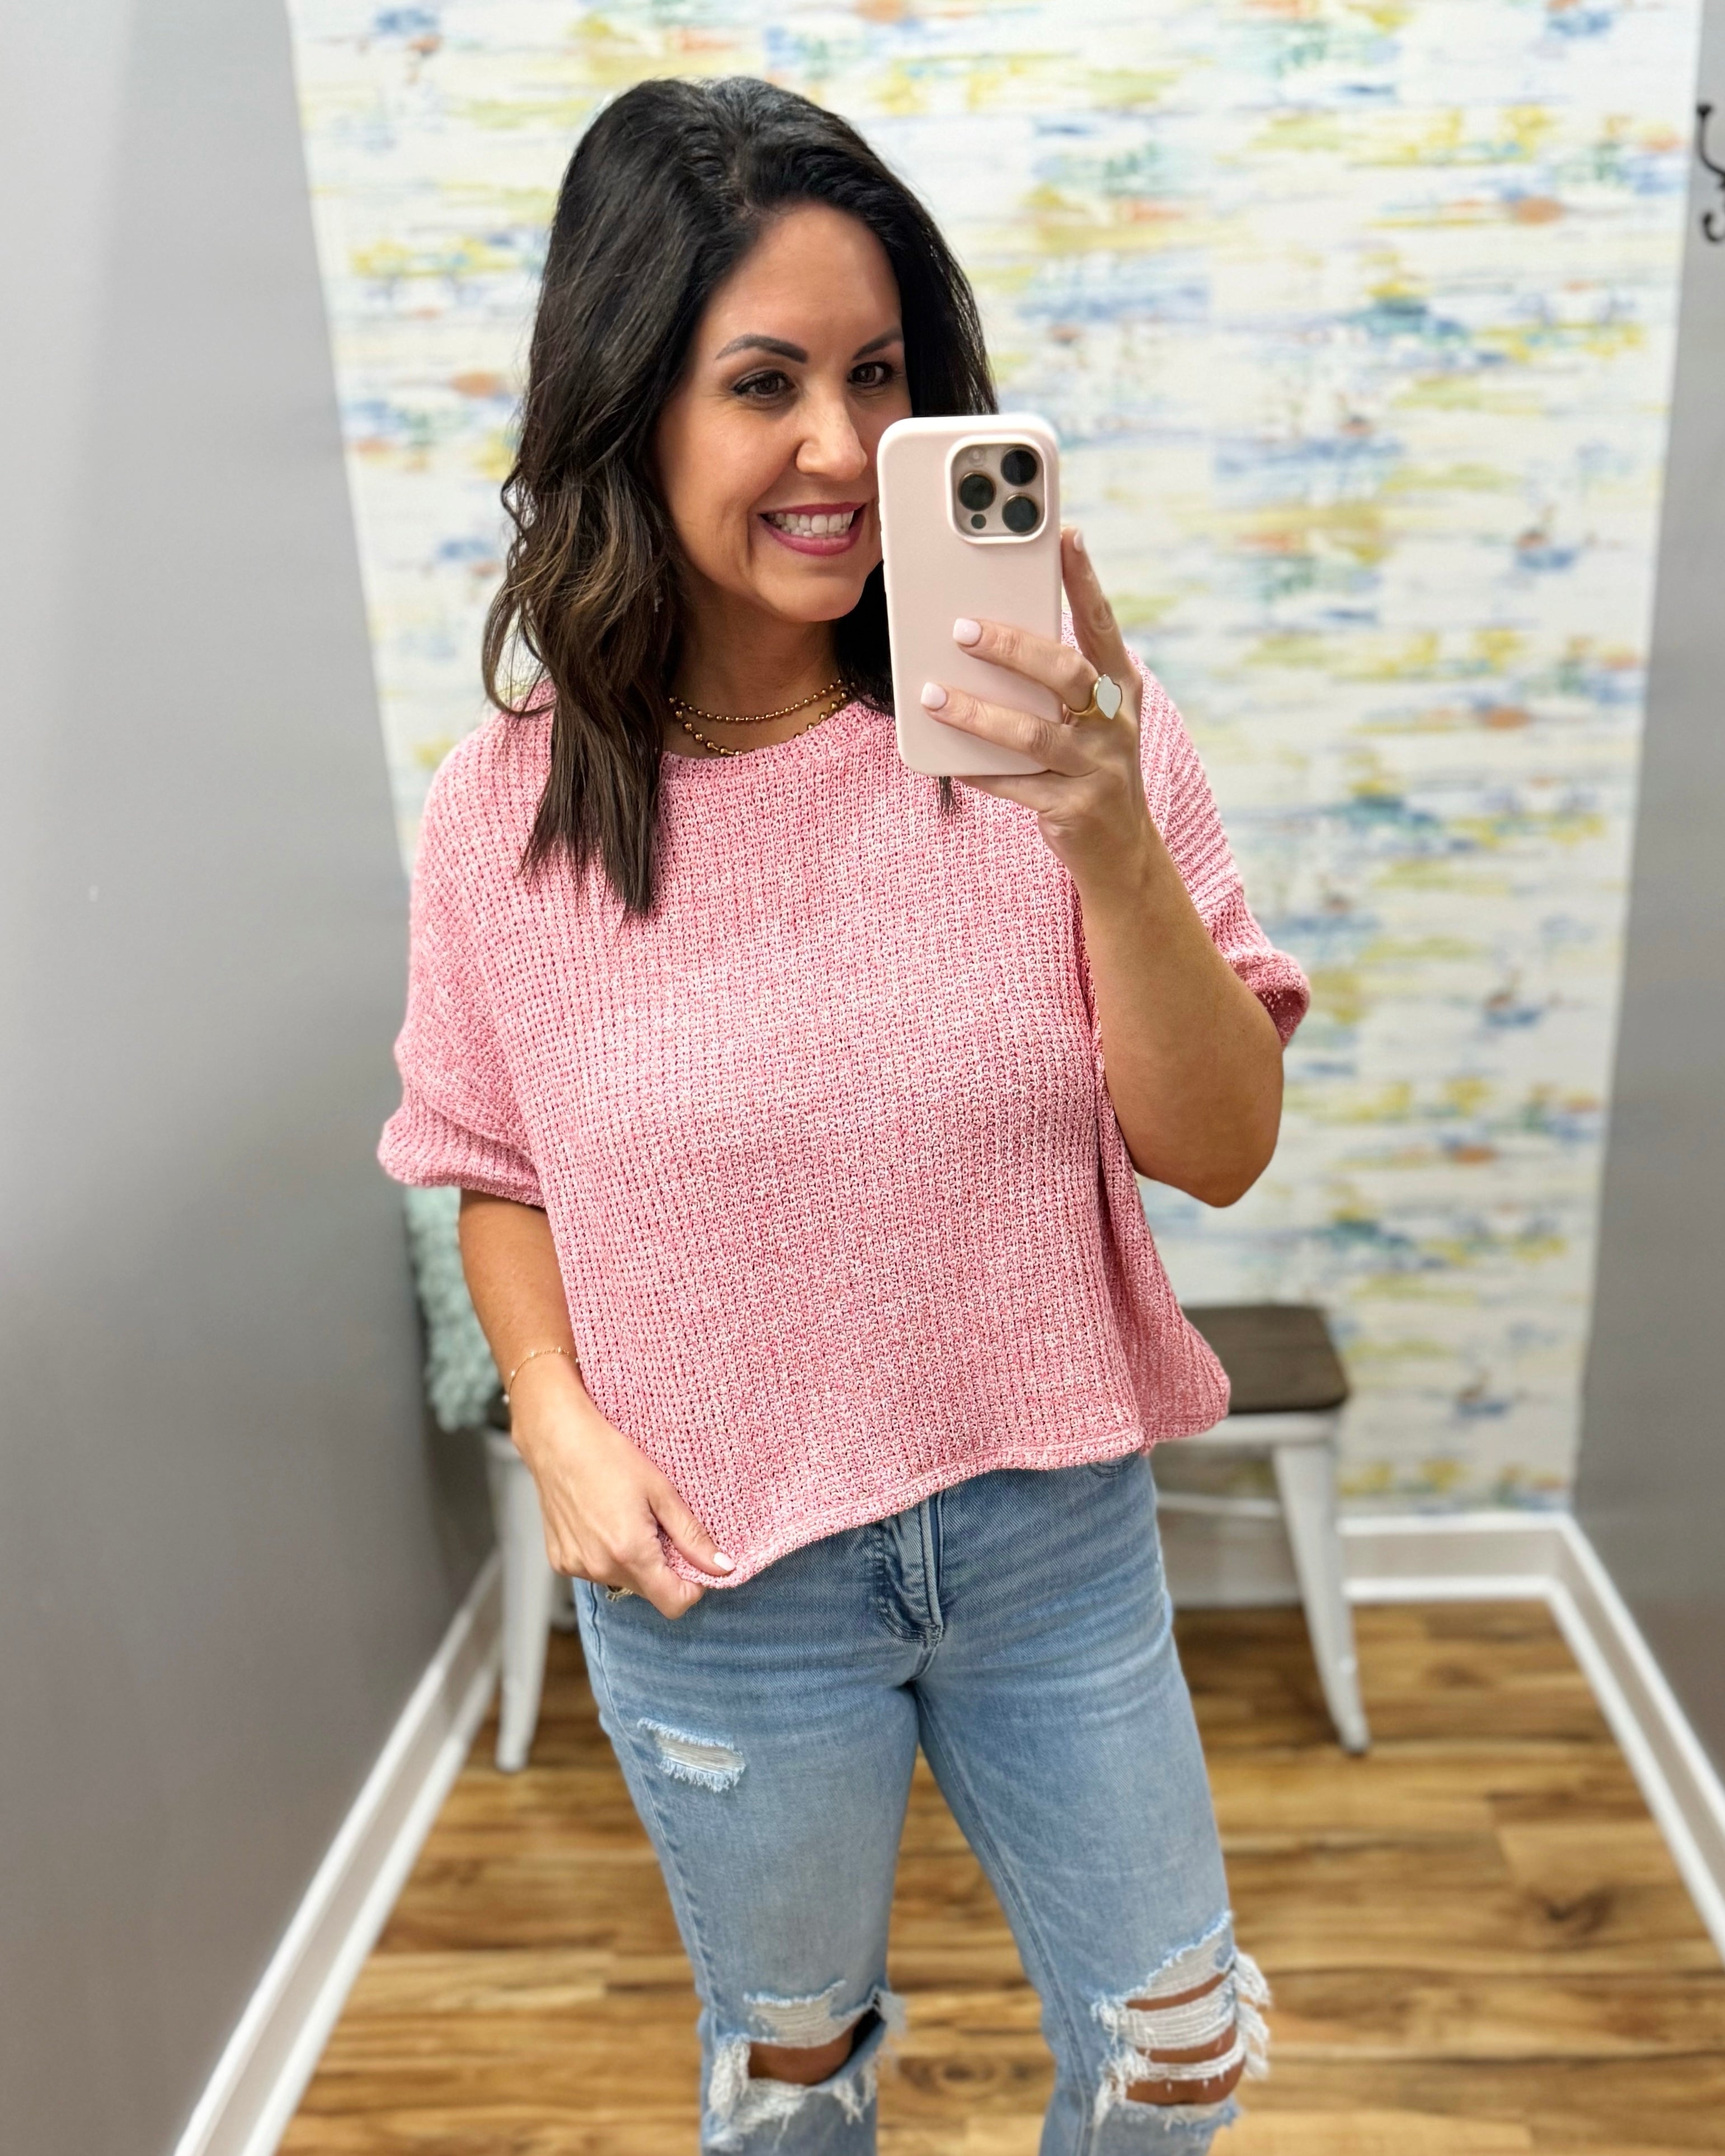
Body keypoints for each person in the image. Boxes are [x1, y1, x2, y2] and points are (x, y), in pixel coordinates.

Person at [379, 74, 1308, 2156]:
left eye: (879, 375)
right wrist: (554, 1413)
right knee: (789, 2086)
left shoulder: (1056, 724)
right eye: (764, 381)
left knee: (1180, 2059)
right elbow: (489, 1163)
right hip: (726, 1586)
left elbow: (1221, 1142)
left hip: (1048, 1536)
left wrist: (1103, 830)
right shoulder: (502, 817)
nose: (838, 446)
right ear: (629, 407)